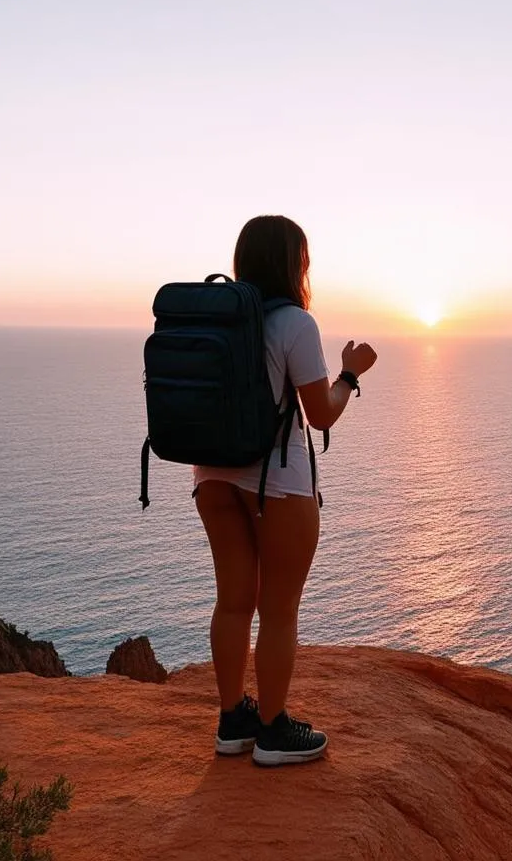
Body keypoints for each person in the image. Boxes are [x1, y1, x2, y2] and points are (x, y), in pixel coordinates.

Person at [192, 215, 377, 766]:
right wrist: (349, 375)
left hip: (211, 475)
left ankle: (233, 722)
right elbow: (320, 414)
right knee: (278, 610)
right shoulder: (295, 323)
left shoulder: (218, 322)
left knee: (232, 601)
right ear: (294, 264)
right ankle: (272, 731)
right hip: (278, 483)